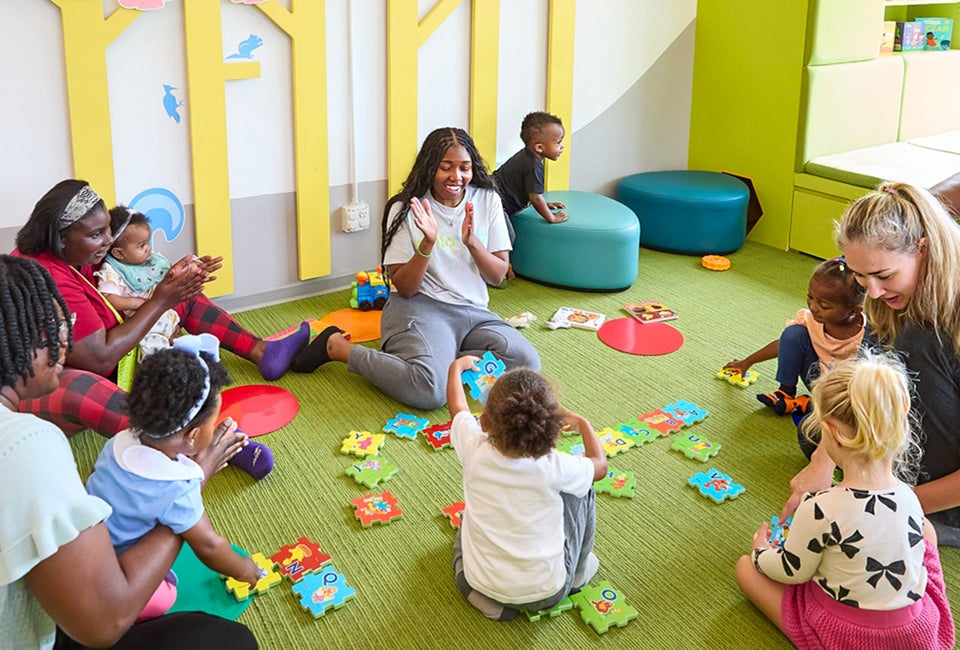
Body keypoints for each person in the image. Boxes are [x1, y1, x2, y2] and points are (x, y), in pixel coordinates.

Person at [0, 254, 257, 650]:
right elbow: (104, 624)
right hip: (54, 629)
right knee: (231, 642)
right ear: (13, 337)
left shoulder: (120, 442)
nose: (67, 338)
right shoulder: (29, 443)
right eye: (57, 326)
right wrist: (191, 484)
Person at [13, 179, 308, 443]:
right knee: (80, 388)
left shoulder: (73, 251)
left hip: (107, 347)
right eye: (96, 235)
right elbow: (98, 358)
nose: (108, 241)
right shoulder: (48, 276)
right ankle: (185, 441)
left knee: (181, 294)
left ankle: (261, 351)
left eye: (107, 231)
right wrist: (158, 302)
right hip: (54, 381)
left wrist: (166, 280)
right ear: (61, 238)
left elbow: (119, 282)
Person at [290, 127, 541, 410]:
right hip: (420, 307)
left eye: (464, 168)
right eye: (445, 167)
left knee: (527, 364)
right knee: (430, 392)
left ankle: (440, 353)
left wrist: (473, 243)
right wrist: (427, 245)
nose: (456, 177)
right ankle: (338, 347)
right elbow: (406, 288)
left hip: (473, 312)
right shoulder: (405, 208)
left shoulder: (487, 200)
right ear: (429, 167)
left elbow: (497, 276)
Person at [736, 350, 954, 649]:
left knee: (745, 569)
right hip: (917, 631)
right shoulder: (909, 496)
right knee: (925, 529)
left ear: (831, 433)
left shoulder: (819, 505)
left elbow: (791, 572)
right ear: (903, 429)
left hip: (846, 634)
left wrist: (761, 551)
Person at [783, 181, 960, 547]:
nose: (873, 290)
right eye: (861, 276)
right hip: (919, 439)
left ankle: (938, 510)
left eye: (884, 275)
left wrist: (900, 503)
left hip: (947, 483)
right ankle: (886, 475)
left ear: (924, 249)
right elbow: (857, 380)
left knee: (917, 339)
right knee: (820, 435)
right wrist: (821, 464)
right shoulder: (886, 298)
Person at [86, 334, 261, 622]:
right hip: (115, 579)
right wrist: (244, 569)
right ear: (192, 436)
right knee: (165, 596)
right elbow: (209, 545)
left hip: (87, 549)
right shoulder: (178, 487)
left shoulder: (119, 442)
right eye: (212, 422)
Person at [446, 356, 607, 621]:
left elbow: (457, 408)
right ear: (552, 424)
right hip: (549, 592)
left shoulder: (472, 446)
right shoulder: (556, 466)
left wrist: (456, 368)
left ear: (484, 424)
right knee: (584, 488)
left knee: (465, 524)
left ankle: (483, 599)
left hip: (481, 583)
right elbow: (599, 467)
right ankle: (578, 574)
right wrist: (584, 424)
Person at [725, 257, 865, 418]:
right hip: (816, 377)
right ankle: (786, 392)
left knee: (850, 412)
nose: (813, 307)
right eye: (810, 297)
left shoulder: (868, 335)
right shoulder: (810, 319)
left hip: (845, 393)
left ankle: (811, 405)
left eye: (824, 306)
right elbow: (785, 344)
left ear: (854, 310)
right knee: (794, 333)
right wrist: (748, 361)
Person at [95, 206, 181, 357]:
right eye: (141, 245)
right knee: (158, 353)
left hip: (165, 316)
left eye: (148, 242)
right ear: (119, 254)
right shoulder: (112, 271)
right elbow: (108, 298)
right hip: (144, 326)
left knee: (180, 341)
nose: (148, 248)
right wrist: (137, 303)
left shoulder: (149, 260)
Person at [493, 111, 568, 228]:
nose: (562, 146)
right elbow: (536, 198)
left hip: (493, 194)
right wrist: (552, 217)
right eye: (558, 142)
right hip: (496, 204)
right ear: (539, 148)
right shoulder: (534, 165)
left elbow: (532, 194)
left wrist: (544, 205)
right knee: (506, 237)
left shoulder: (526, 156)